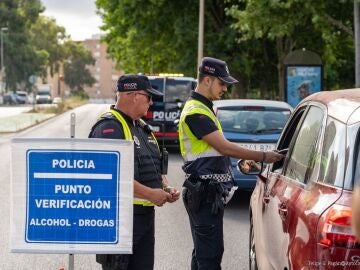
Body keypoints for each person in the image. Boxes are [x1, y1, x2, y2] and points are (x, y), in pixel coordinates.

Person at [178, 57, 284, 270]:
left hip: (208, 193)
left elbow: (214, 152)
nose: (225, 88)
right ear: (207, 80)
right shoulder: (196, 112)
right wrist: (263, 156)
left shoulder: (205, 108)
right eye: (222, 83)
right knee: (209, 256)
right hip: (204, 193)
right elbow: (224, 147)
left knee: (203, 253)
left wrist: (239, 162)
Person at [89, 74, 180, 270]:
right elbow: (109, 178)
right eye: (149, 97)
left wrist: (165, 187)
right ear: (134, 95)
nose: (151, 102)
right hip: (120, 221)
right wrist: (151, 194)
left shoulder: (141, 127)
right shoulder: (110, 128)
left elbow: (153, 167)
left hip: (144, 217)